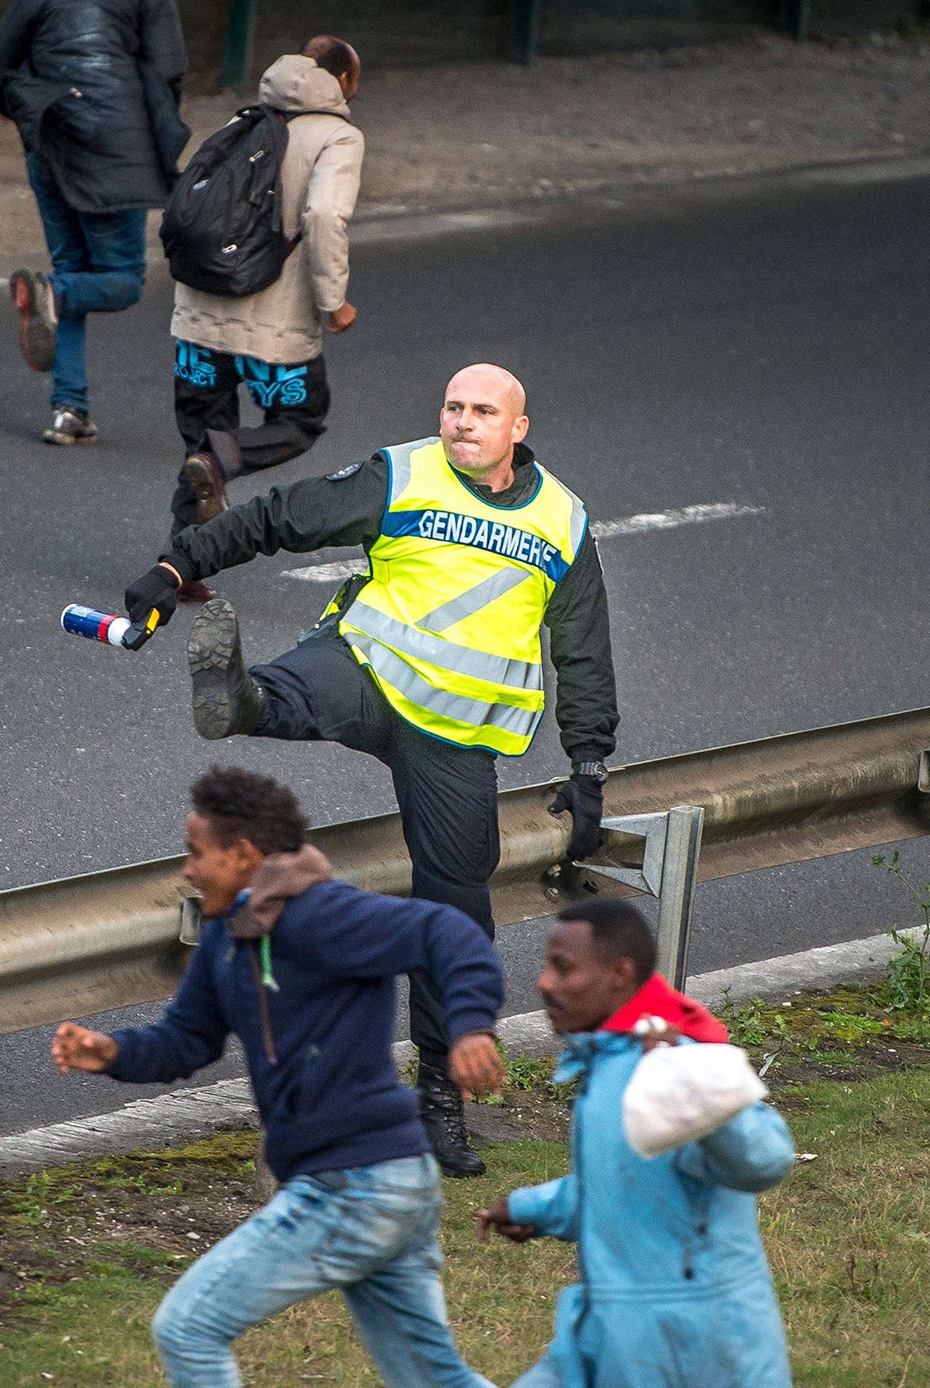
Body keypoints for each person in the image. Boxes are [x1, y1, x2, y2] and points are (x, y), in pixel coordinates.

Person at [118, 363, 618, 1177]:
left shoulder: (563, 523)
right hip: (368, 672)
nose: (461, 422)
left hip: (455, 738)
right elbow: (282, 517)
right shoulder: (405, 473)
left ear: (517, 429)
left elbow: (584, 651)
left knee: (456, 916)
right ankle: (241, 700)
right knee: (286, 691)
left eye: (482, 411)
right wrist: (176, 570)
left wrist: (589, 763)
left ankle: (439, 1102)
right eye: (452, 406)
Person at [52, 766, 505, 1388]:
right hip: (388, 1181)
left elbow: (446, 931)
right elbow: (188, 1039)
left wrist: (471, 1027)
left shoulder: (320, 915)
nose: (186, 870)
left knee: (187, 1329)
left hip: (357, 1184)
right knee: (432, 1379)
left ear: (241, 856)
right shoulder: (226, 941)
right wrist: (113, 1053)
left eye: (195, 854)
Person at [478, 898, 797, 1388]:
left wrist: (696, 1092)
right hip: (612, 1328)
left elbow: (765, 1161)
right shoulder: (606, 1066)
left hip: (694, 1343)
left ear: (619, 975)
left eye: (563, 968)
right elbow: (626, 1186)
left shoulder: (677, 1066)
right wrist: (531, 1206)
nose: (543, 983)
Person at [0, 0, 189, 447]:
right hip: (115, 155)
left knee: (69, 270)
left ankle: (70, 409)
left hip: (50, 145)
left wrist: (33, 113)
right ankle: (54, 296)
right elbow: (168, 76)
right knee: (120, 282)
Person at [170, 37, 365, 557]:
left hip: (197, 319)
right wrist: (333, 301)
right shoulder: (337, 137)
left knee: (201, 439)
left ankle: (180, 564)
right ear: (344, 81)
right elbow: (324, 217)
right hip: (272, 331)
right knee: (300, 420)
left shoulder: (244, 122)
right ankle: (221, 461)